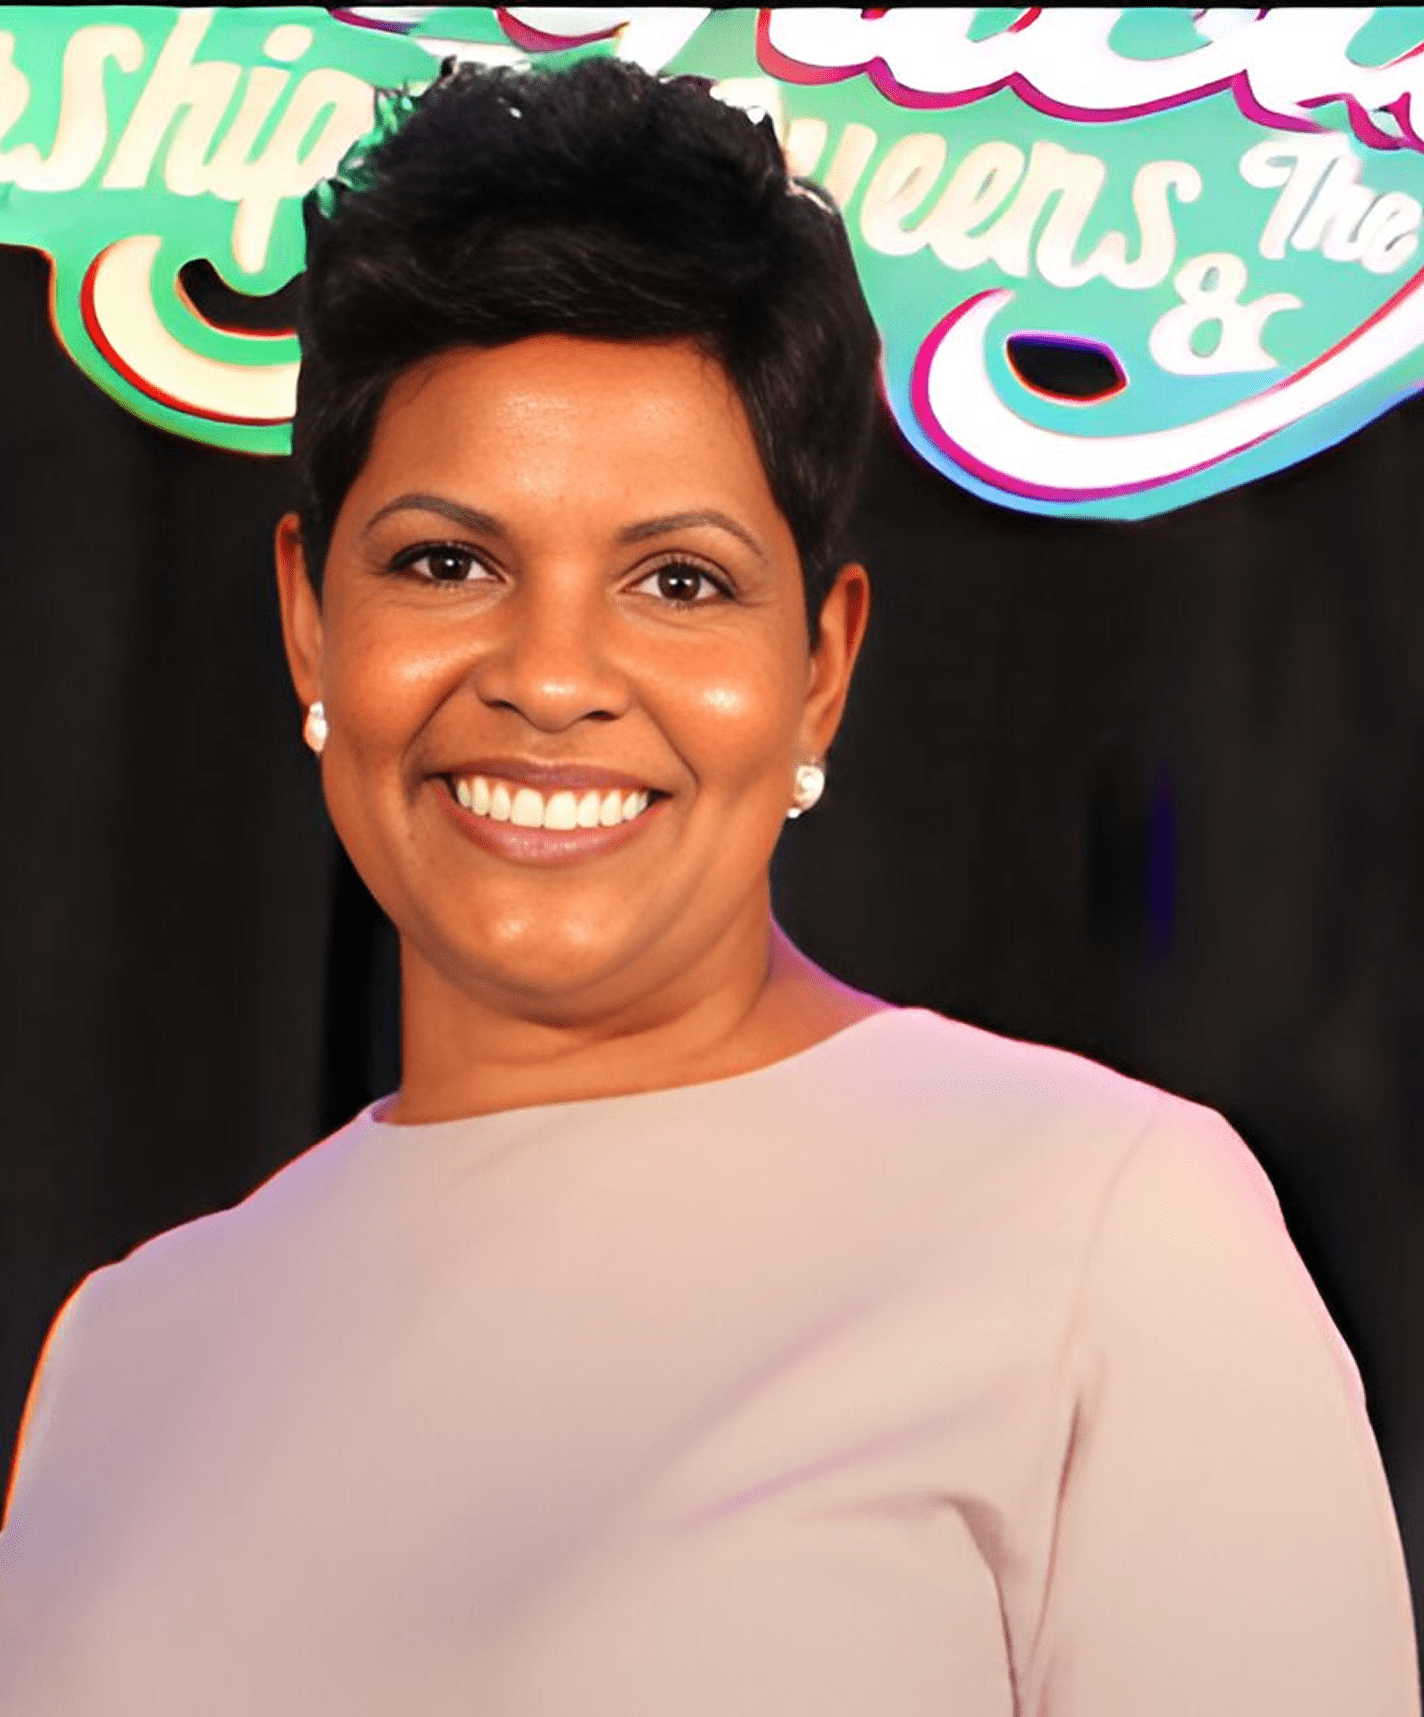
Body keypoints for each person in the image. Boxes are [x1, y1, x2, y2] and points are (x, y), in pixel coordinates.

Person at [0, 55, 1417, 1717]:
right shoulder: (120, 1349)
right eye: (446, 562)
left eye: (679, 579)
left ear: (821, 668)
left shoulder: (1112, 1235)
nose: (549, 675)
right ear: (315, 617)